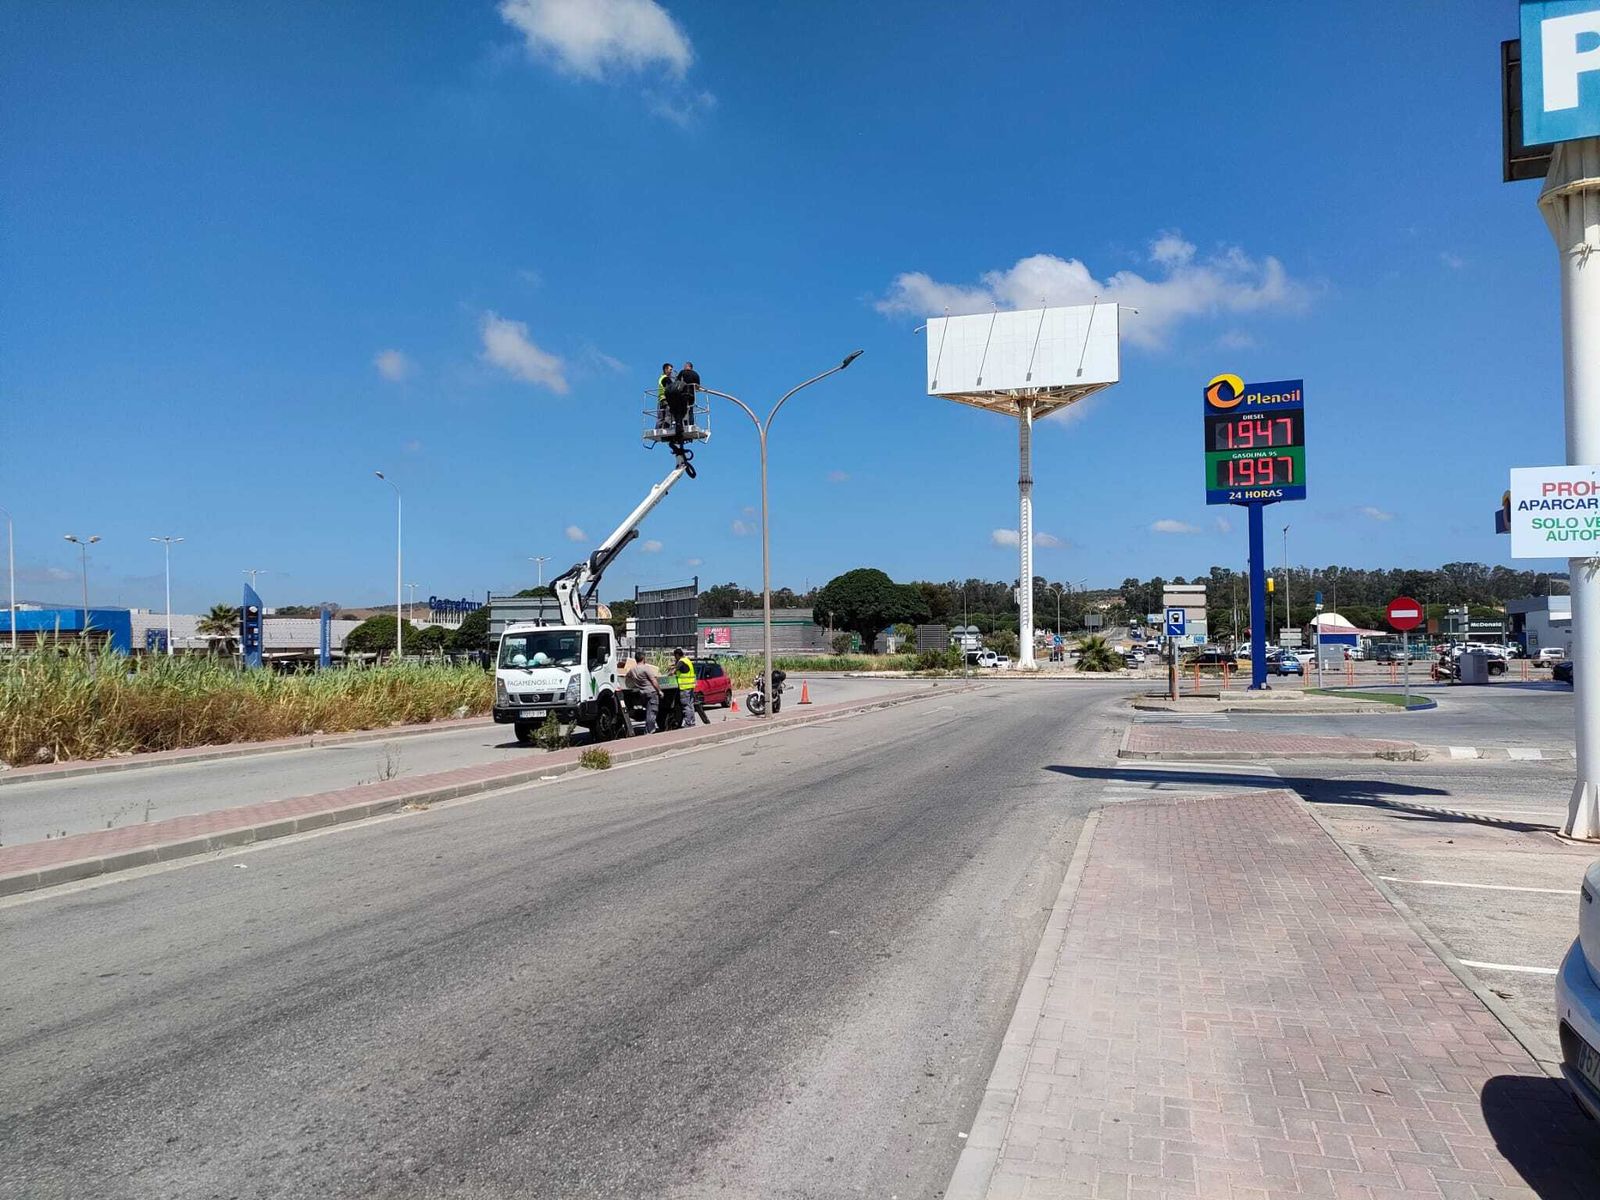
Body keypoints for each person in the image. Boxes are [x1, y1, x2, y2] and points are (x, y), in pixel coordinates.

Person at [624, 654, 663, 734]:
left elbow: (627, 676)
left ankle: (647, 730)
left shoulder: (633, 669)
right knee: (652, 712)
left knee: (648, 712)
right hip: (651, 692)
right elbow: (654, 681)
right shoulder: (646, 668)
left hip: (643, 693)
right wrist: (659, 691)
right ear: (643, 659)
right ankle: (650, 731)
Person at [671, 647, 697, 729]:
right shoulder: (687, 660)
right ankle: (692, 722)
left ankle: (688, 723)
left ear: (678, 655)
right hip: (691, 686)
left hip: (685, 687)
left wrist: (667, 674)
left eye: (675, 656)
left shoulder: (681, 661)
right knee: (691, 705)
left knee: (686, 706)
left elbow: (673, 671)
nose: (675, 658)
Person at [656, 363, 675, 434]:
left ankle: (658, 430)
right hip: (666, 399)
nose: (671, 371)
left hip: (661, 399)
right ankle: (667, 429)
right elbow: (672, 387)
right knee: (668, 415)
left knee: (660, 417)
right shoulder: (666, 378)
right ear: (665, 369)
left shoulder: (661, 377)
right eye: (670, 370)